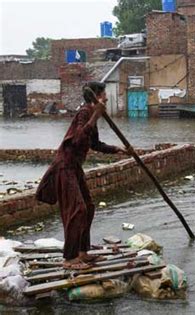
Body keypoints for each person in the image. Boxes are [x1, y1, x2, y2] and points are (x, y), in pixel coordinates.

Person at [36, 82, 129, 270]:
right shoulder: (85, 113)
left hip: (75, 167)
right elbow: (78, 138)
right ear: (96, 96)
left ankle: (82, 252)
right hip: (65, 166)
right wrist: (95, 115)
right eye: (104, 95)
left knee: (88, 206)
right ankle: (70, 258)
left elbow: (94, 144)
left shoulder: (91, 116)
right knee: (77, 210)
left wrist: (117, 150)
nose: (107, 98)